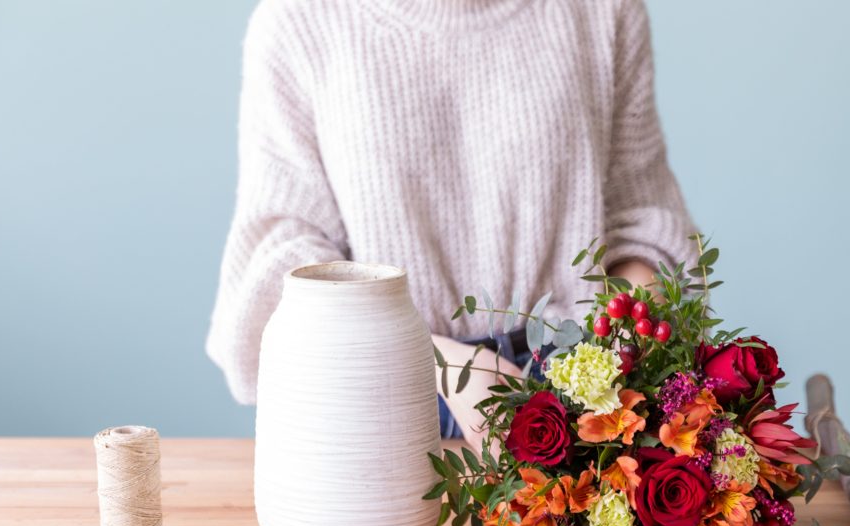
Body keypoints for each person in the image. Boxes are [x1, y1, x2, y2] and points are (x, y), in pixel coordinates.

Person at [206, 0, 698, 452]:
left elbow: (641, 221)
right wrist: (440, 364)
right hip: (384, 406)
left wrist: (619, 359)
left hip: (584, 404)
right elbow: (284, 256)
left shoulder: (601, 10)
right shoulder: (300, 21)